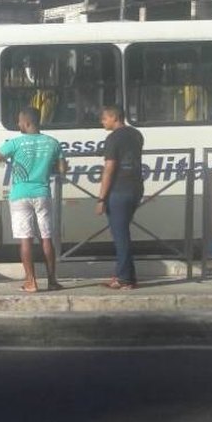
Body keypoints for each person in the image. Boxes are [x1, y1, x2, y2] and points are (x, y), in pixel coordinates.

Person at [0, 107, 67, 293]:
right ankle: (52, 281)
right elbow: (62, 170)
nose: (18, 124)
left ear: (27, 122)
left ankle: (31, 282)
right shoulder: (53, 143)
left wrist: (1, 159)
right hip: (42, 194)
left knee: (26, 240)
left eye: (19, 121)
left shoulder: (15, 143)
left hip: (20, 196)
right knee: (46, 239)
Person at [96, 105, 145, 290]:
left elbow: (109, 168)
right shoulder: (136, 134)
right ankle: (127, 276)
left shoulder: (113, 138)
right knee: (123, 232)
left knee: (120, 235)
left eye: (104, 119)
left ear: (114, 117)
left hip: (118, 190)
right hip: (136, 187)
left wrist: (101, 199)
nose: (102, 122)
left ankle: (124, 278)